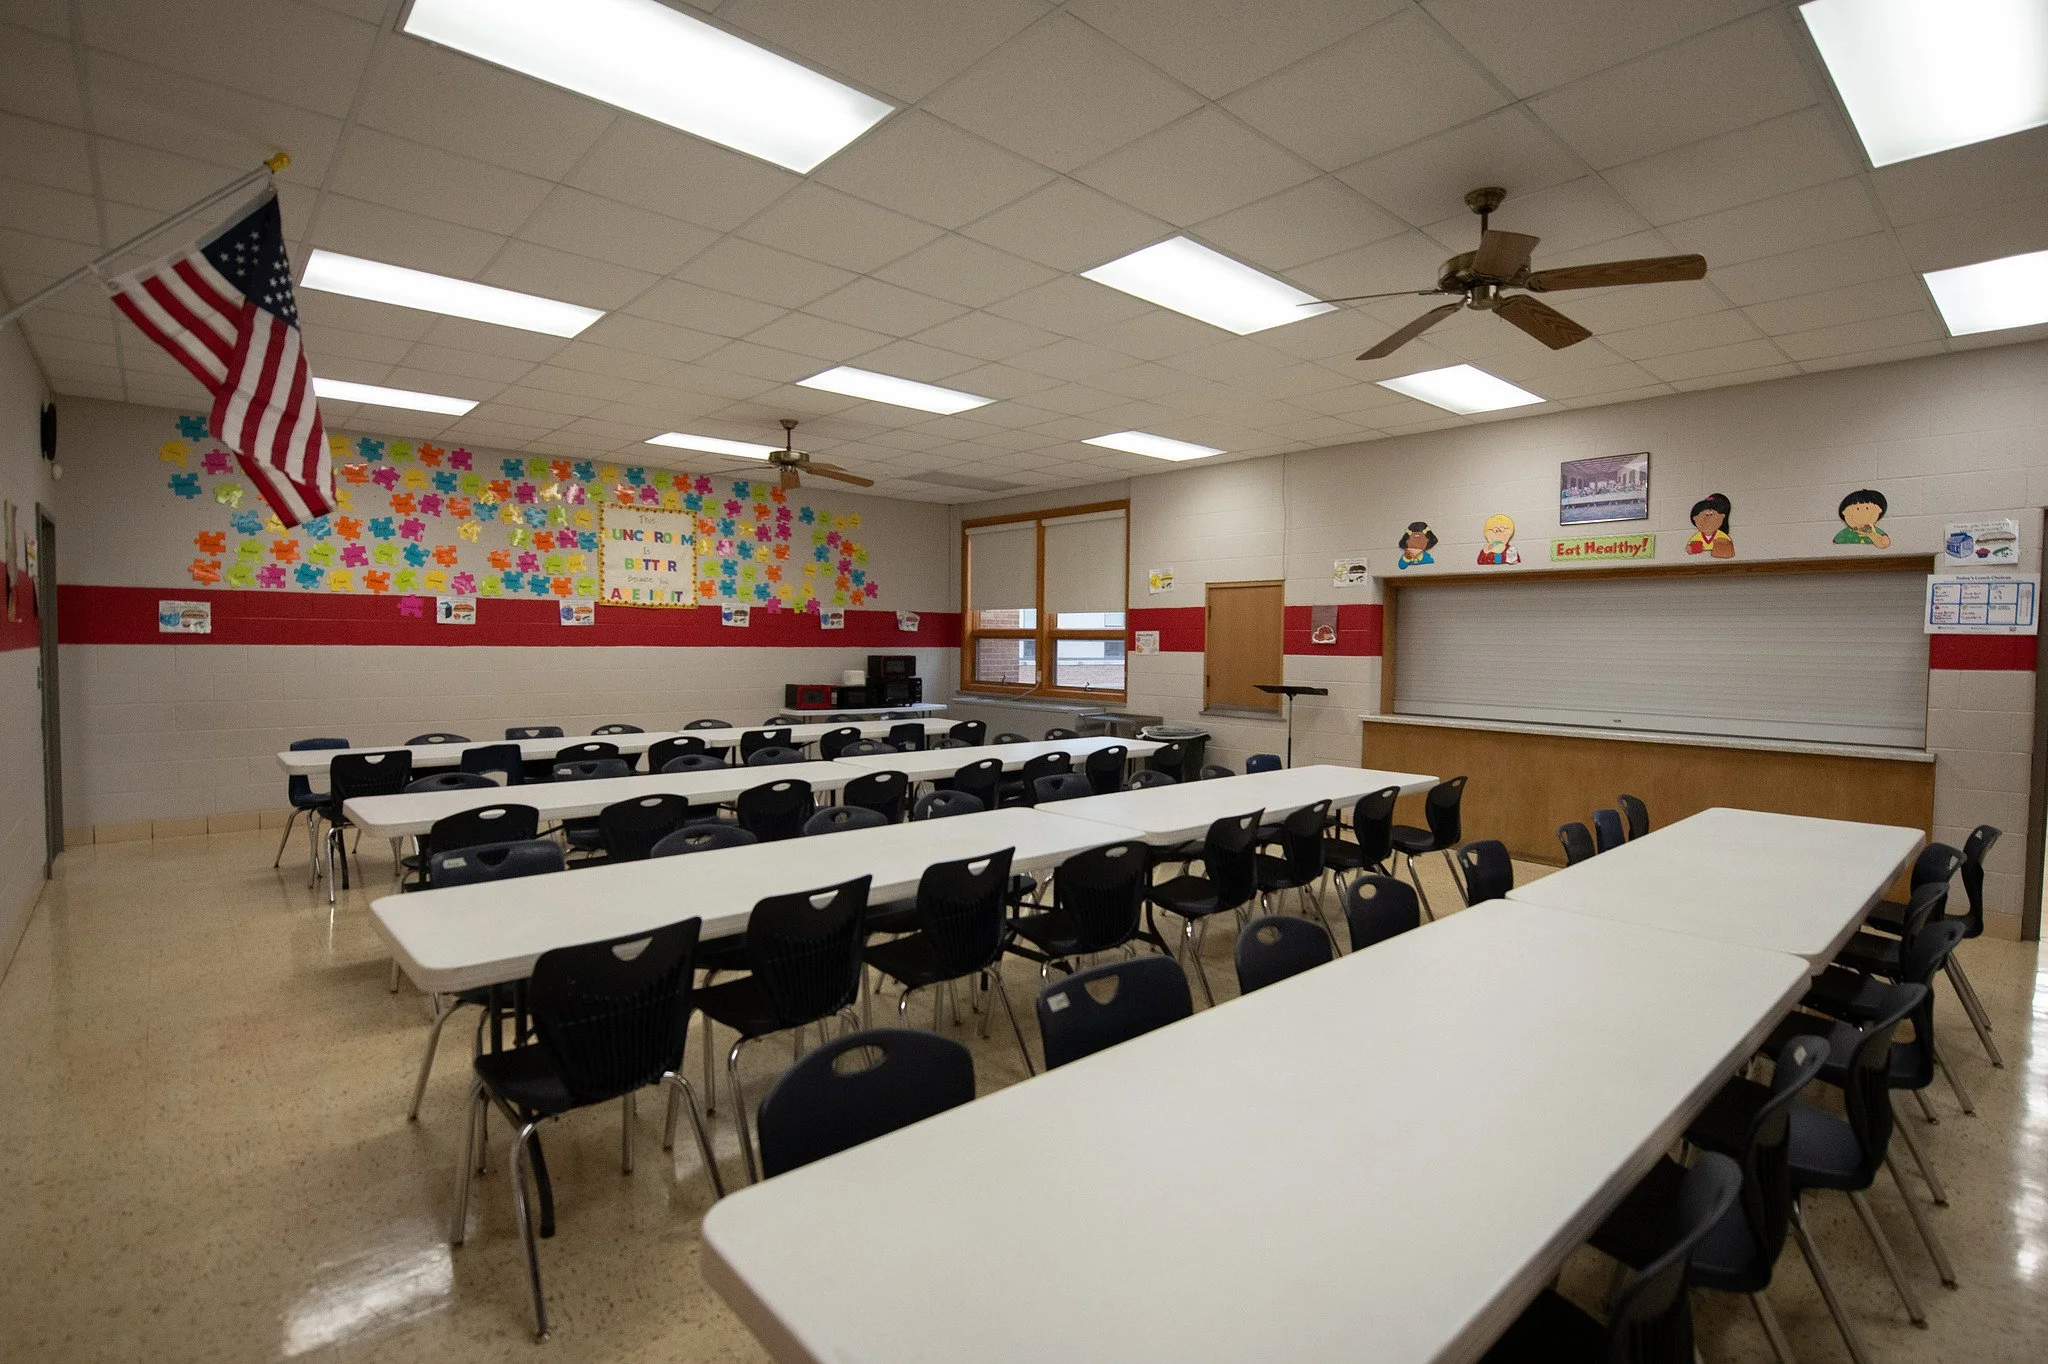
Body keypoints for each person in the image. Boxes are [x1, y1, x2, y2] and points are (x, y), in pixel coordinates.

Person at [1685, 493, 1734, 558]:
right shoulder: (1697, 537)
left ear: (1722, 516)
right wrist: (1693, 548)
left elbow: (1728, 552)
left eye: (1710, 515)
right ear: (1694, 518)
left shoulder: (1722, 537)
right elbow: (1689, 549)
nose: (1707, 519)